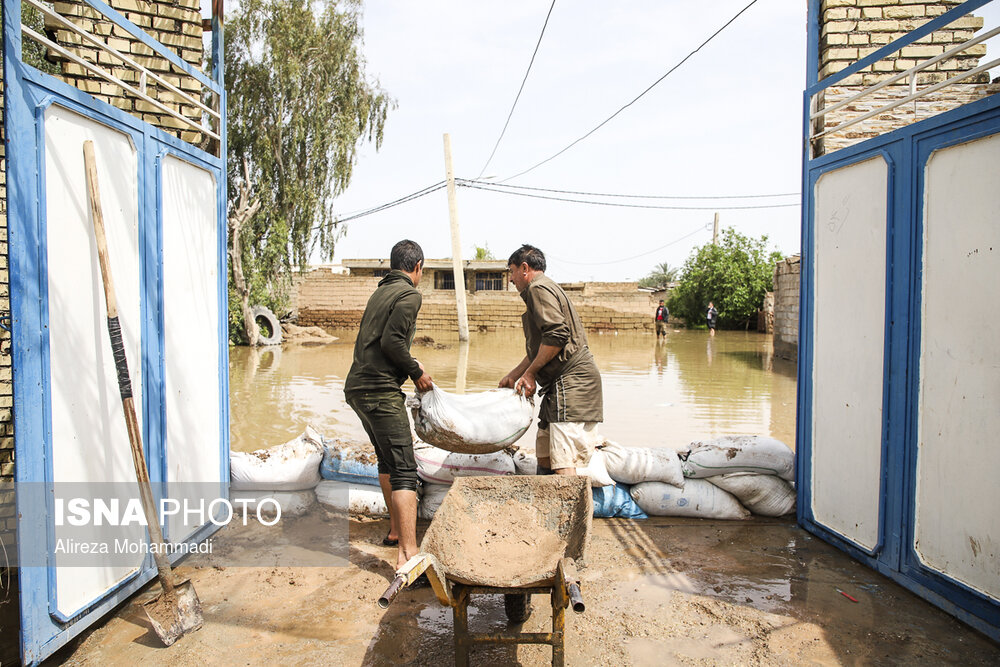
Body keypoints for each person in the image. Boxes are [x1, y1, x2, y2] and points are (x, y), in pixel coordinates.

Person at [344, 239, 434, 570]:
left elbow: (382, 343)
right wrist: (416, 372)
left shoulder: (380, 292)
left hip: (357, 388)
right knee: (405, 470)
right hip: (380, 391)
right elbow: (392, 342)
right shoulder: (410, 294)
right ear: (418, 267)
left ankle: (396, 531)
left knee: (386, 459)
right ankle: (409, 557)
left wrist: (407, 363)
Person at [499, 244, 603, 476]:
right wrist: (515, 374)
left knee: (562, 460)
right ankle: (549, 511)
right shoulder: (543, 289)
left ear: (524, 269)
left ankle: (571, 512)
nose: (511, 279)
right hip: (558, 387)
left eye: (512, 271)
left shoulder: (538, 289)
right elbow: (543, 346)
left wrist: (530, 374)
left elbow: (557, 337)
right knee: (545, 456)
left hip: (572, 384)